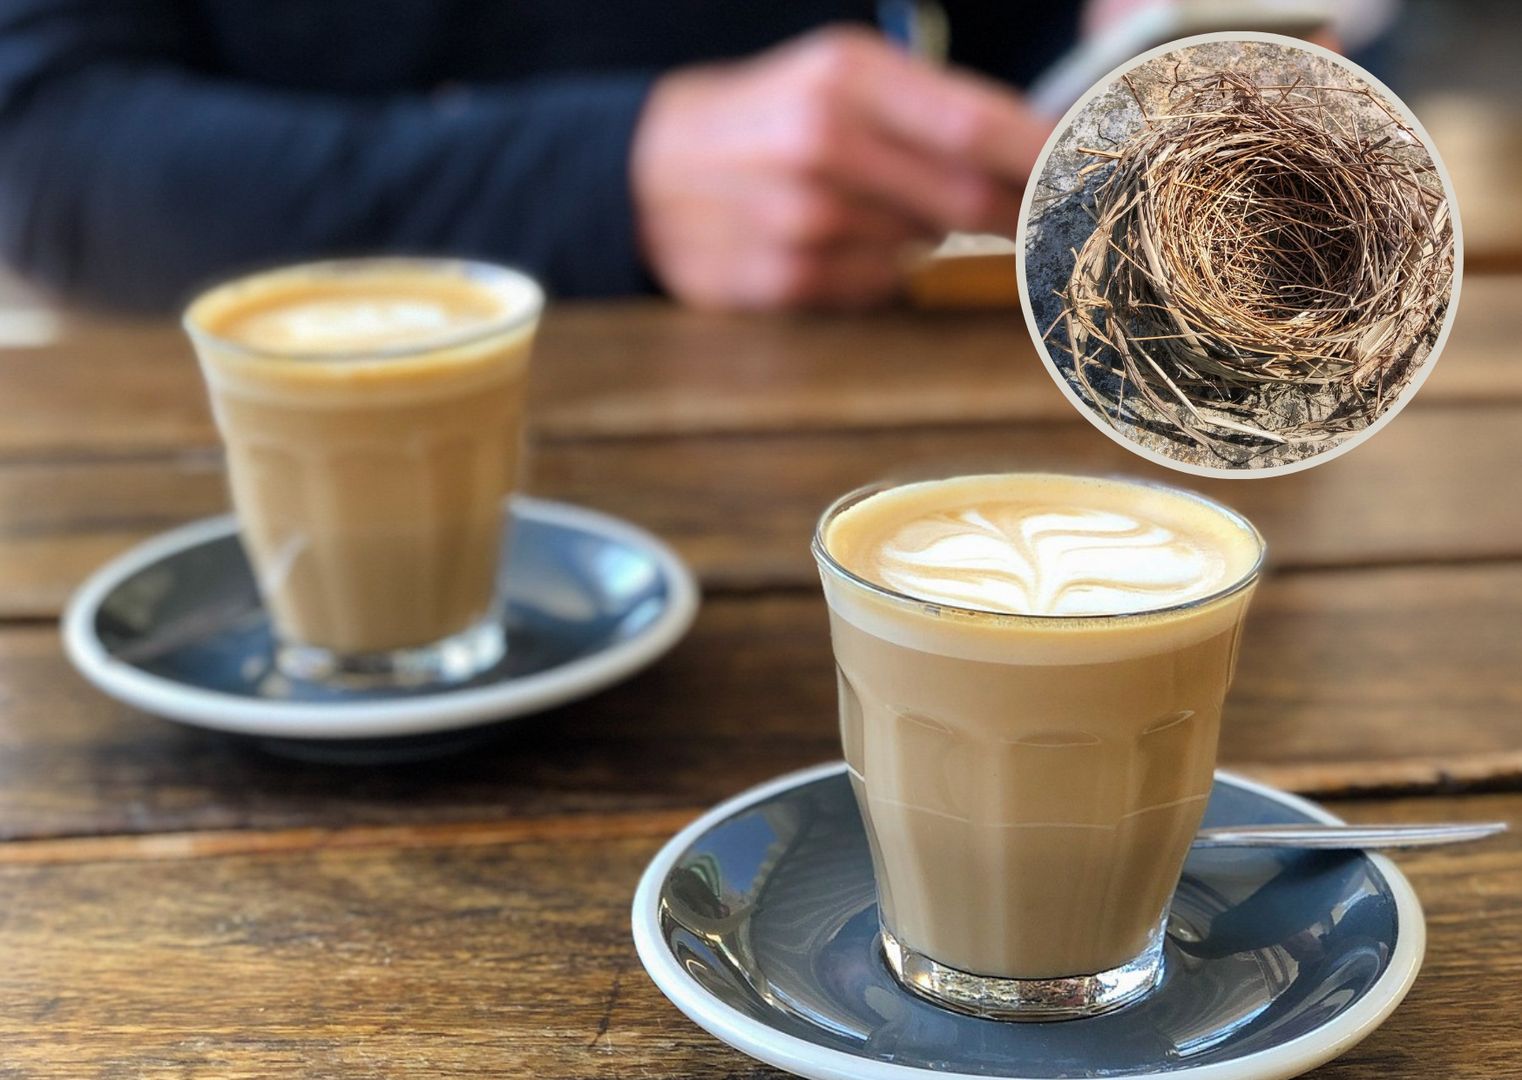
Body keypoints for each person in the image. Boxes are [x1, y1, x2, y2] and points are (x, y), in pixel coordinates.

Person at [0, 1, 1073, 312]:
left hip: (858, 380)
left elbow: (1003, 39)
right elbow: (44, 141)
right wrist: (614, 174)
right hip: (268, 472)